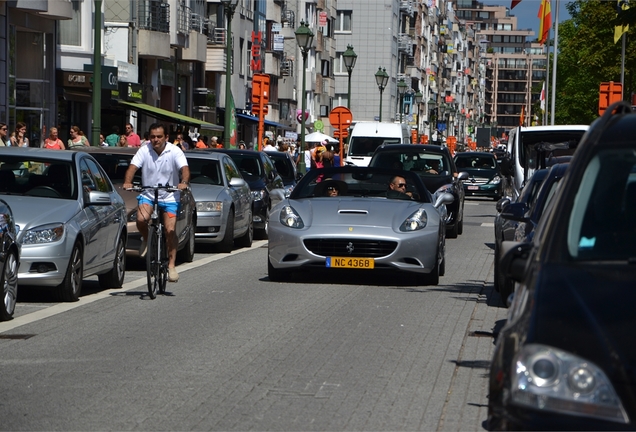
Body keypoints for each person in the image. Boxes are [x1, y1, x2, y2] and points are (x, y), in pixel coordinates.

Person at [122, 123, 190, 283]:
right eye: (152, 136)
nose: (155, 140)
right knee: (140, 219)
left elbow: (185, 169)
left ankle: (171, 265)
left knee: (170, 230)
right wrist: (127, 181)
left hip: (170, 195)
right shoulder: (144, 150)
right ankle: (147, 238)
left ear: (166, 137)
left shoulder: (175, 151)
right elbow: (132, 167)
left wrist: (183, 181)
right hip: (149, 193)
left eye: (159, 137)